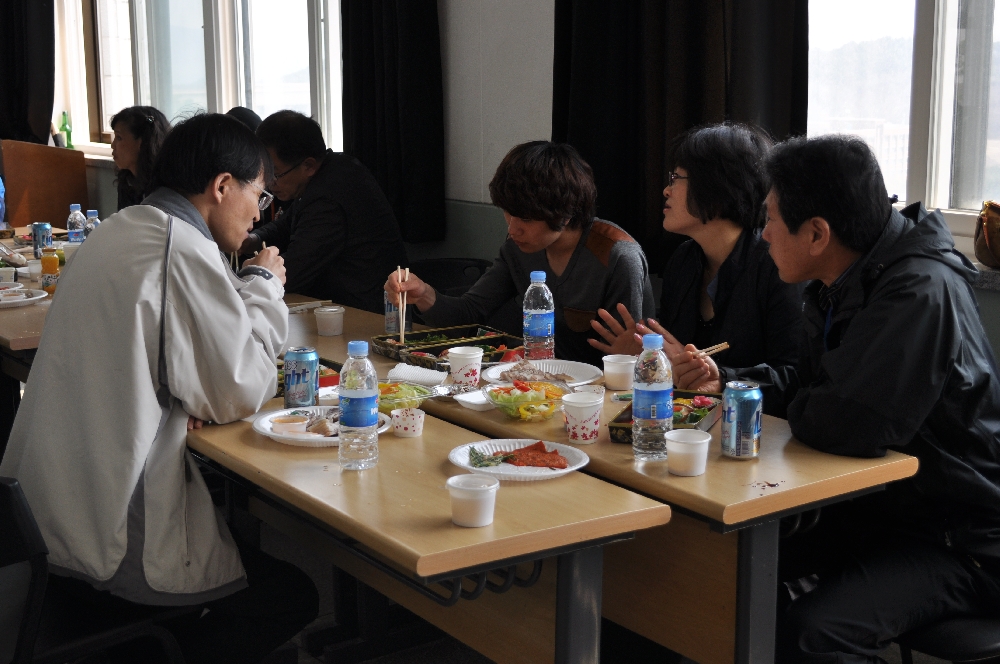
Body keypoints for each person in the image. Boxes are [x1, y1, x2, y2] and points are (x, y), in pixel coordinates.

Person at [0, 113, 318, 664]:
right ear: (223, 185)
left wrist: (189, 395)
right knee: (290, 597)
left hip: (39, 528)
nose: (258, 214)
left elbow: (186, 366)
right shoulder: (180, 249)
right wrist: (265, 285)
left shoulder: (122, 229)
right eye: (258, 196)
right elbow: (239, 390)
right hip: (110, 543)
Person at [759, 135, 1000, 662]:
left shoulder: (918, 290)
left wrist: (808, 402)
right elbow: (812, 392)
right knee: (737, 562)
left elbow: (845, 424)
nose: (764, 233)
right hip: (894, 513)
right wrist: (734, 383)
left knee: (814, 631)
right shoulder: (847, 279)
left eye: (770, 218)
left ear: (817, 233)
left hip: (964, 540)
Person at [589, 124, 801, 415]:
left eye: (676, 178)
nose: (666, 190)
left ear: (717, 187)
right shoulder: (685, 260)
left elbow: (796, 376)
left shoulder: (776, 264)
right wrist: (648, 358)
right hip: (693, 424)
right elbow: (680, 370)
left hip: (759, 430)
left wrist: (722, 380)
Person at [384, 141, 655, 366]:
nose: (512, 229)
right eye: (507, 212)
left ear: (565, 212)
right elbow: (470, 313)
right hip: (536, 382)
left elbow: (632, 360)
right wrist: (423, 294)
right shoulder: (519, 247)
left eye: (525, 218)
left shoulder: (618, 257)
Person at [241, 110, 408, 312]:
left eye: (275, 174)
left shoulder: (329, 195)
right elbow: (286, 224)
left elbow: (294, 272)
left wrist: (254, 273)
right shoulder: (331, 170)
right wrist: (254, 239)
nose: (269, 183)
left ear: (308, 165)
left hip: (365, 313)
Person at [110, 106, 171, 210]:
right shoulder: (127, 180)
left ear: (142, 142)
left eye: (119, 138)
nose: (112, 145)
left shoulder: (166, 184)